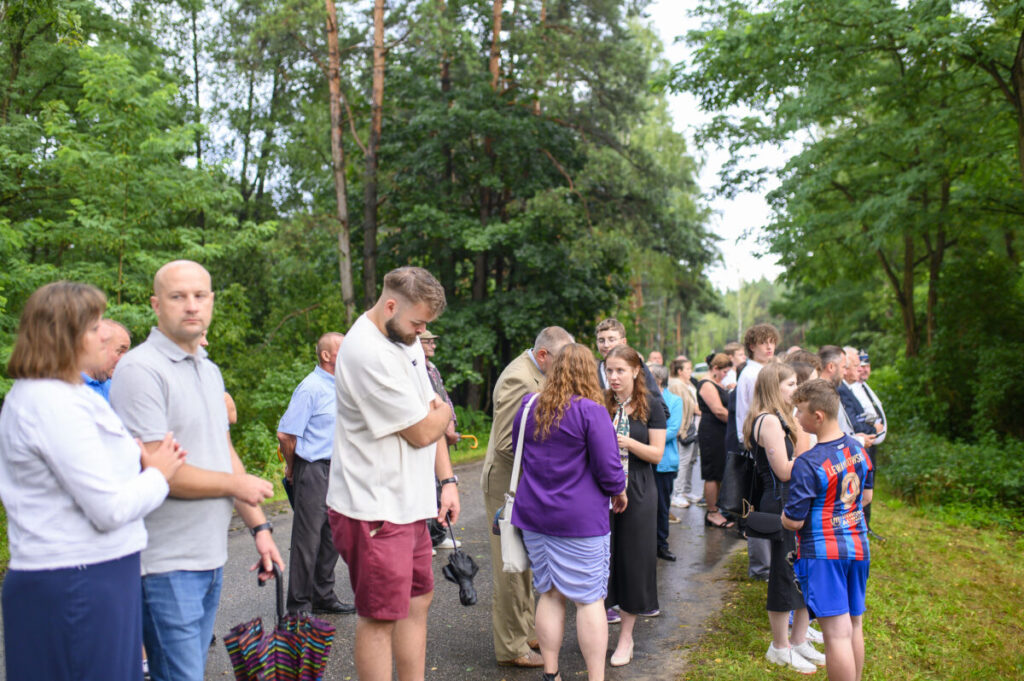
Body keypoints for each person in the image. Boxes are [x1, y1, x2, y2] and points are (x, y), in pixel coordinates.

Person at [0, 281, 185, 681]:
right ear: (62, 335)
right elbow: (109, 508)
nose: (105, 333)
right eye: (94, 324)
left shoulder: (68, 392)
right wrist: (159, 474)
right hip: (76, 582)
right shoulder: (51, 402)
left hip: (94, 575)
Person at [110, 260, 283, 681]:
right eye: (178, 296)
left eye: (200, 295)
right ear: (156, 305)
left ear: (211, 302)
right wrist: (234, 483)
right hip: (163, 562)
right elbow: (160, 473)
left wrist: (260, 529)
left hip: (210, 556)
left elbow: (224, 453)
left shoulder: (208, 369)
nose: (191, 305)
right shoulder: (139, 369)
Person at [325, 266, 460, 681]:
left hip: (411, 504)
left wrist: (448, 480)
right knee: (380, 617)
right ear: (389, 305)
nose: (421, 332)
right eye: (418, 322)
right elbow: (424, 428)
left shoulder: (405, 338)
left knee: (418, 601)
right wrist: (442, 414)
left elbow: (431, 409)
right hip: (374, 508)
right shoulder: (367, 351)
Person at [510, 343, 628, 681]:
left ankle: (551, 673)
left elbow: (516, 450)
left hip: (534, 516)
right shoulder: (592, 411)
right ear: (590, 372)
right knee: (590, 599)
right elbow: (609, 470)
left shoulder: (528, 405)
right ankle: (595, 677)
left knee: (549, 593)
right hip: (579, 521)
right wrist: (618, 492)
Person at [481, 326, 574, 668]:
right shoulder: (519, 378)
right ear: (544, 355)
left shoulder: (539, 371)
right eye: (561, 358)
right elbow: (507, 445)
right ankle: (512, 647)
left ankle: (527, 630)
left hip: (523, 485)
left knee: (526, 566)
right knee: (511, 567)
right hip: (509, 484)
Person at [784, 379, 874, 681]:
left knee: (835, 634)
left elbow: (794, 520)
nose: (796, 417)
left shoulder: (807, 463)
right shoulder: (858, 449)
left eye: (799, 411)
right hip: (858, 546)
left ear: (818, 416)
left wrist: (783, 519)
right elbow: (866, 497)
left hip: (823, 554)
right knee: (853, 625)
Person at [742, 362, 823, 674]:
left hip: (797, 501)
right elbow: (786, 471)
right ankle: (779, 646)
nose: (796, 390)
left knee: (803, 572)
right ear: (773, 388)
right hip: (781, 504)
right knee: (784, 573)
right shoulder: (769, 422)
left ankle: (799, 639)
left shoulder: (784, 418)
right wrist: (803, 432)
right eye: (790, 385)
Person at [277, 332, 355, 615]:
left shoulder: (342, 386)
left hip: (338, 469)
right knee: (306, 540)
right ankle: (298, 605)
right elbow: (286, 434)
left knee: (332, 535)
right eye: (342, 349)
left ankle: (322, 595)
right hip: (312, 469)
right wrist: (292, 466)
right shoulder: (310, 388)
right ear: (326, 355)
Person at [603, 345, 666, 667]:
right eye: (609, 370)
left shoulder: (650, 405)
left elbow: (657, 454)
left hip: (639, 488)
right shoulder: (601, 401)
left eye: (620, 371)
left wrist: (628, 443)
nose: (614, 377)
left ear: (636, 371)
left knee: (634, 561)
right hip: (601, 491)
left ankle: (625, 637)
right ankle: (598, 629)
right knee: (603, 560)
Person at [735, 324, 781, 580]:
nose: (769, 346)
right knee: (758, 504)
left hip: (757, 439)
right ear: (751, 345)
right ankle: (761, 567)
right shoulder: (754, 374)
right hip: (756, 443)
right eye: (764, 342)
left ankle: (763, 565)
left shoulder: (760, 371)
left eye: (772, 341)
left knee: (760, 503)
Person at [421, 328, 461, 551]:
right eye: (428, 342)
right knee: (427, 485)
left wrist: (451, 426)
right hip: (427, 434)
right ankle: (425, 539)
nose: (433, 345)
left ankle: (437, 535)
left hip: (441, 433)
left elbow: (444, 399)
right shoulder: (415, 369)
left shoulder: (433, 369)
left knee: (439, 486)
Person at [696, 353, 733, 528]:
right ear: (715, 369)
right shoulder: (706, 384)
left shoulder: (716, 383)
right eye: (724, 371)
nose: (726, 375)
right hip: (711, 432)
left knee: (719, 472)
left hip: (720, 432)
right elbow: (718, 410)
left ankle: (717, 508)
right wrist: (737, 422)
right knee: (712, 473)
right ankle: (712, 512)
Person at [650, 364, 681, 561]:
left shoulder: (674, 401)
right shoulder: (644, 399)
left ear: (658, 380)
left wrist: (646, 438)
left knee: (662, 506)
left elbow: (673, 429)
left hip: (664, 462)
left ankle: (661, 544)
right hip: (646, 459)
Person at [818, 345, 876, 449]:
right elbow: (829, 437)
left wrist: (855, 437)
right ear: (831, 367)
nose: (845, 372)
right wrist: (859, 440)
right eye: (844, 367)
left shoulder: (828, 390)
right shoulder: (820, 394)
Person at [669, 356, 701, 509]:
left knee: (689, 461)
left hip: (691, 427)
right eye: (687, 369)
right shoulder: (676, 385)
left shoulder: (687, 384)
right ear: (679, 371)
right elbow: (681, 408)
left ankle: (686, 490)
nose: (690, 372)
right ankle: (677, 493)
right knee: (682, 462)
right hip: (684, 429)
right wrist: (681, 430)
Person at [81, 318, 132, 400]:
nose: (124, 359)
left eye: (126, 353)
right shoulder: (69, 387)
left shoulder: (116, 387)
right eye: (120, 351)